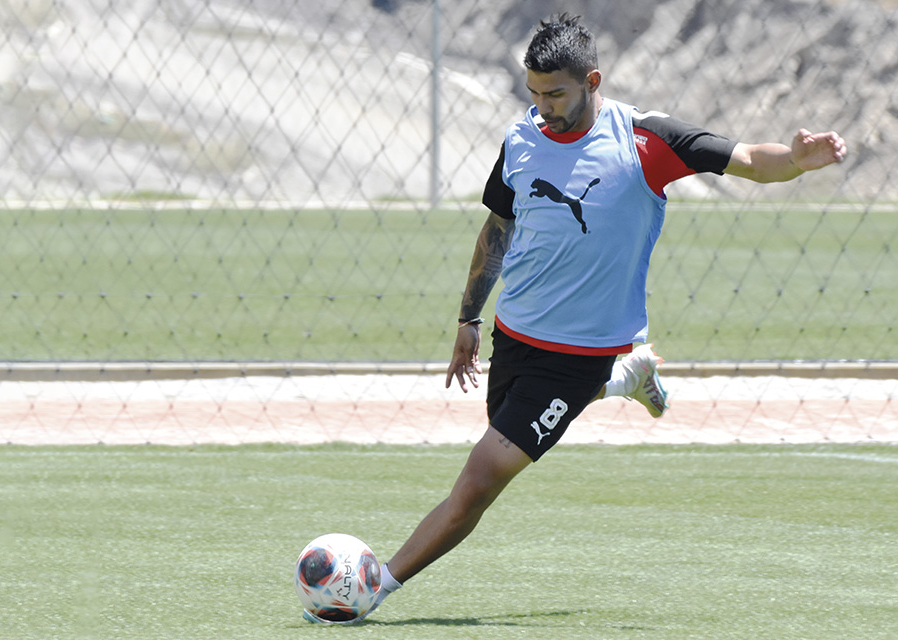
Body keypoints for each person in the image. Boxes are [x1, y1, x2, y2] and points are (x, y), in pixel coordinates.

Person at [304, 13, 846, 623]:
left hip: (577, 352)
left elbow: (748, 159)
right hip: (515, 336)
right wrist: (469, 319)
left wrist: (797, 160)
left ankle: (373, 589)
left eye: (555, 94)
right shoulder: (520, 140)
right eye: (533, 93)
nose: (543, 107)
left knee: (479, 482)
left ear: (591, 80)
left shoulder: (646, 140)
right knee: (508, 428)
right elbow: (497, 230)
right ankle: (628, 375)